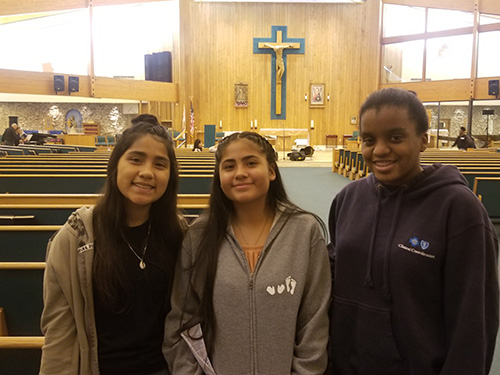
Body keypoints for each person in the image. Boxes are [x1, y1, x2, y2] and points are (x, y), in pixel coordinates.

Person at [327, 87, 499, 374]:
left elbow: (473, 322)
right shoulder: (348, 198)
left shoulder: (458, 209)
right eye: (369, 140)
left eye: (395, 137)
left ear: (423, 140)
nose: (380, 150)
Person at [164, 131, 331, 375]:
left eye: (251, 163)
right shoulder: (199, 235)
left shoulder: (304, 232)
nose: (240, 172)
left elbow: (314, 321)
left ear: (272, 171)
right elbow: (181, 317)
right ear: (219, 177)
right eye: (229, 166)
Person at [40, 122, 185, 375]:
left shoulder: (179, 235)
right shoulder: (76, 237)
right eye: (136, 159)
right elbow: (59, 332)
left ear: (170, 176)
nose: (147, 172)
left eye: (160, 164)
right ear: (116, 165)